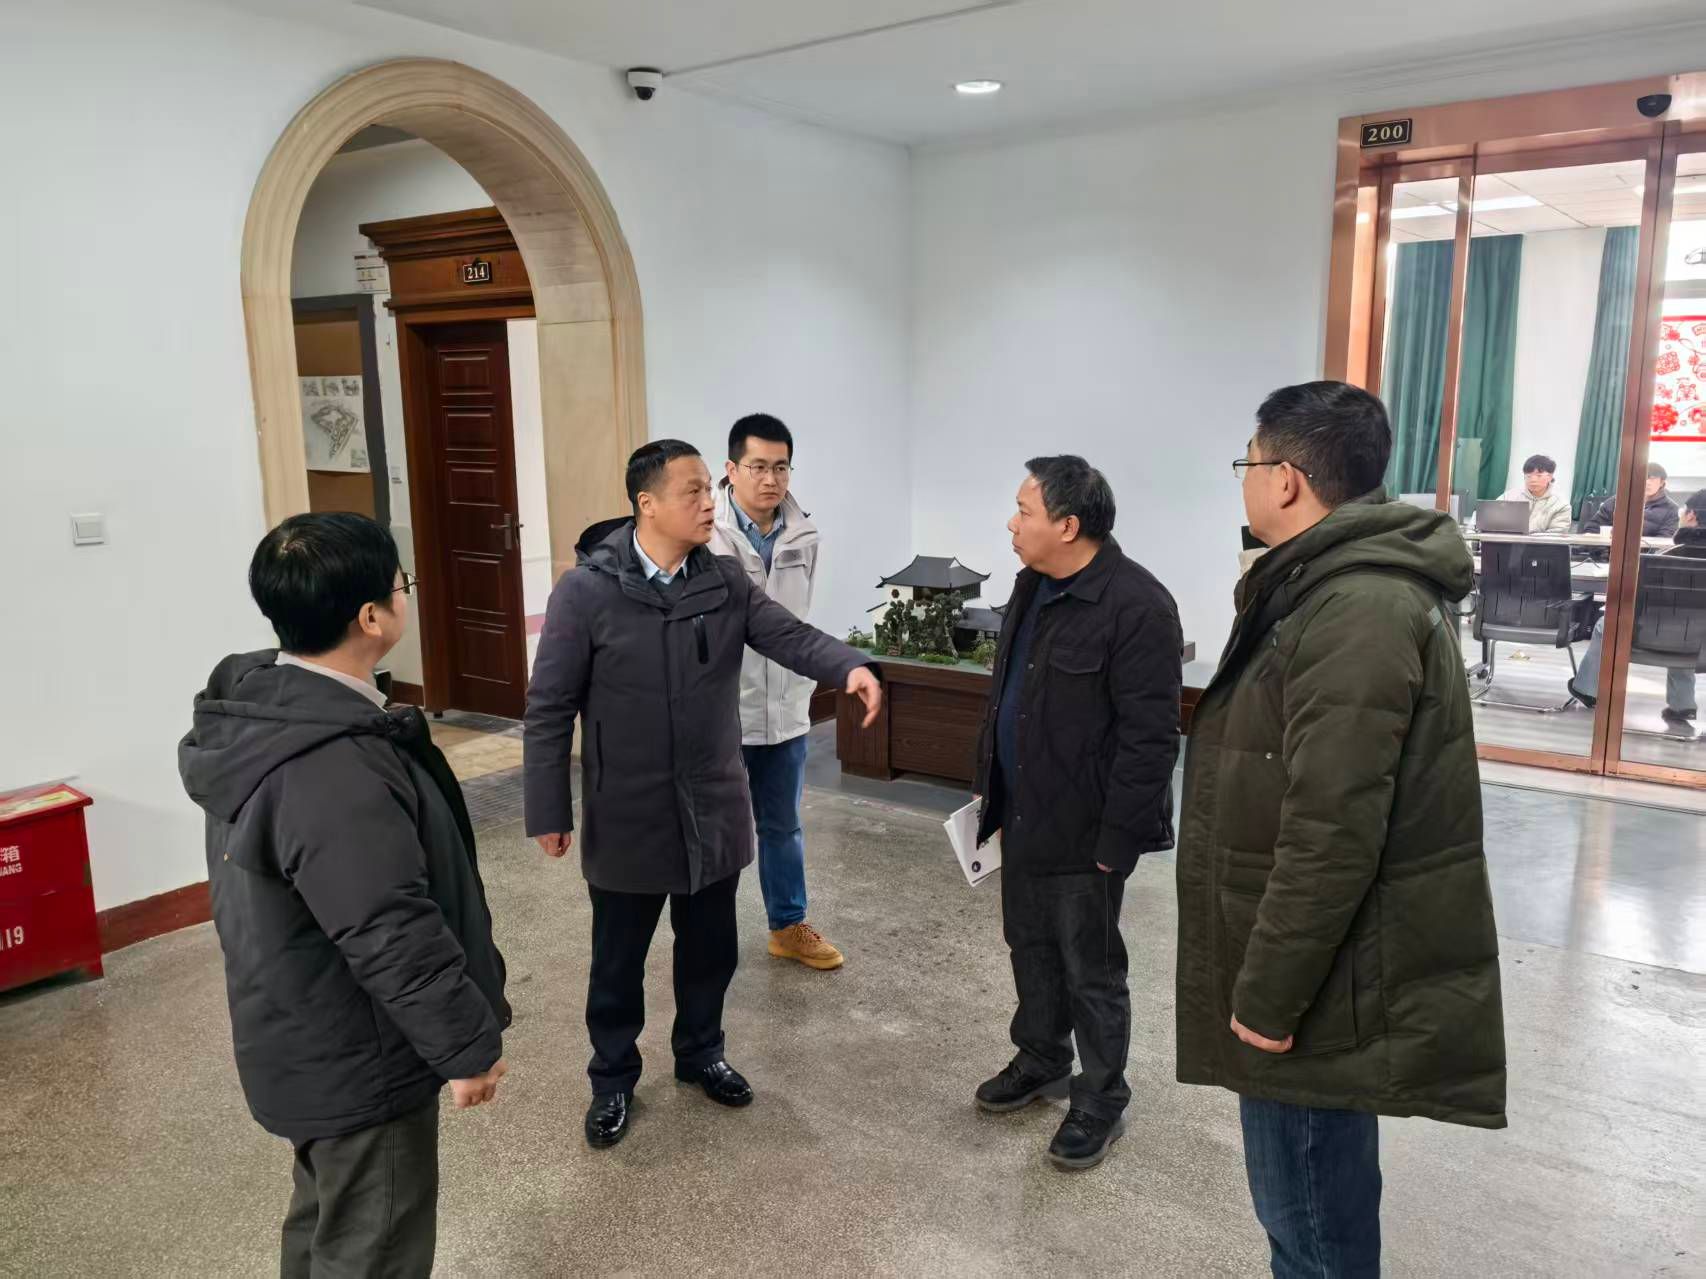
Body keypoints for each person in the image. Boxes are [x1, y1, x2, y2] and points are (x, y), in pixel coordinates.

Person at [1176, 382, 1507, 1277]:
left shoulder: (1356, 609)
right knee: (1312, 1208)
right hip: (1321, 968)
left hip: (1319, 987)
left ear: (1286, 478)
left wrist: (1267, 997)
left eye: (1248, 463)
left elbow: (1331, 831)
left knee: (1313, 1226)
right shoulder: (1324, 588)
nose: (1246, 480)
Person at [524, 439, 882, 1150]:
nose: (707, 502)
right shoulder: (586, 592)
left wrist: (850, 666)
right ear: (647, 503)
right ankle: (612, 1078)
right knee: (618, 962)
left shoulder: (722, 580)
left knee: (711, 950)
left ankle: (700, 1052)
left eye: (706, 489)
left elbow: (787, 634)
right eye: (691, 490)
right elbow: (549, 706)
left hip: (713, 804)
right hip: (628, 810)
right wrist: (547, 810)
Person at [179, 512, 510, 1279]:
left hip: (304, 1031)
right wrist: (466, 1047)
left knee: (328, 1219)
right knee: (373, 1244)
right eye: (402, 584)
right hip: (362, 1054)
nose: (405, 595)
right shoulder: (333, 765)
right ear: (371, 616)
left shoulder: (266, 714)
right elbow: (388, 928)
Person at [969, 455, 1183, 1171]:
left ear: (1066, 525)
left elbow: (1151, 739)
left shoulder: (1138, 606)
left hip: (1088, 832)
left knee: (1092, 970)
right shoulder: (1032, 584)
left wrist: (1117, 839)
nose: (1011, 523)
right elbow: (1012, 698)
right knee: (1028, 946)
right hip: (1023, 812)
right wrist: (993, 794)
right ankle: (1041, 1057)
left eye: (1024, 510)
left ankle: (1101, 1096)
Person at [705, 413, 844, 971]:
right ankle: (707, 934)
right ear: (731, 469)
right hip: (723, 711)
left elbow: (797, 621)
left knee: (782, 825)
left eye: (781, 467)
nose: (771, 479)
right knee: (715, 830)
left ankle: (788, 926)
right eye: (758, 466)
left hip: (786, 706)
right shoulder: (706, 533)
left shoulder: (804, 534)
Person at [1569, 487, 1706, 727]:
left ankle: (1587, 688)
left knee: (1606, 623)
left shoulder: (1667, 558)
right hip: (1700, 640)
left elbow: (1635, 596)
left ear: (1691, 515)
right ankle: (1682, 704)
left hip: (1653, 635)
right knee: (1689, 624)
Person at [1584, 461, 1680, 537]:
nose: (1647, 482)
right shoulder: (1618, 500)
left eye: (1652, 478)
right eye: (1644, 477)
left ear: (1662, 483)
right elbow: (1592, 528)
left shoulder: (1671, 509)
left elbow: (1663, 541)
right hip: (1609, 552)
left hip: (1645, 555)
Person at [1501, 453, 1571, 534]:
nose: (1533, 480)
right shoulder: (1509, 496)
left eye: (1539, 476)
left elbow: (1557, 533)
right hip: (1509, 539)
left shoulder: (1561, 504)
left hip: (1541, 542)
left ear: (1550, 477)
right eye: (1528, 476)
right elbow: (1494, 520)